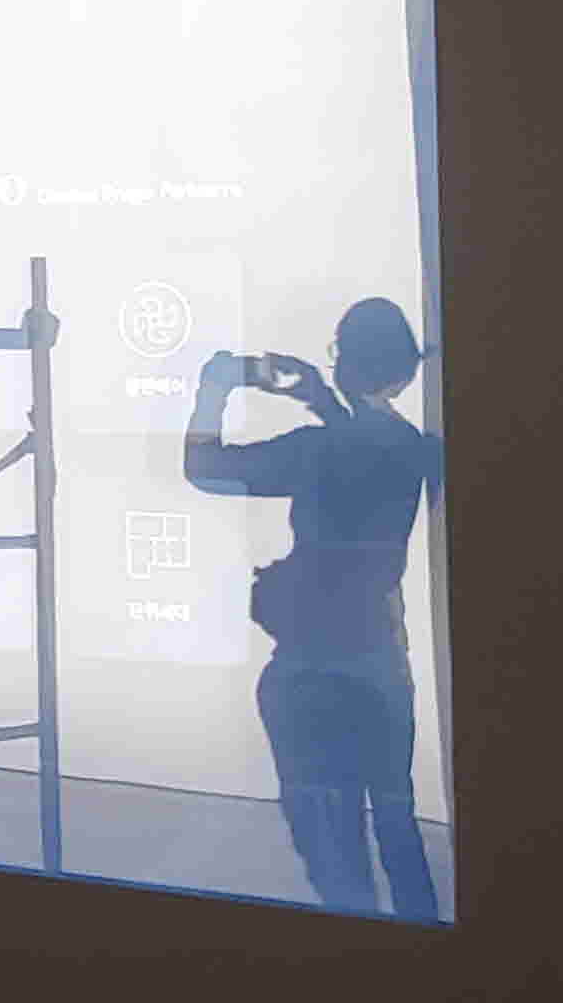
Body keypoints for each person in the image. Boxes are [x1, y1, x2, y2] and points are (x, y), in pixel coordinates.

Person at [184, 298, 442, 920]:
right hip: (380, 664)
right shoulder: (417, 451)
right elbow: (367, 444)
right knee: (398, 825)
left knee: (335, 854)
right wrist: (322, 399)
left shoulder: (315, 450)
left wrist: (214, 389)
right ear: (404, 375)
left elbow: (204, 467)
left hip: (309, 670)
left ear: (342, 364)